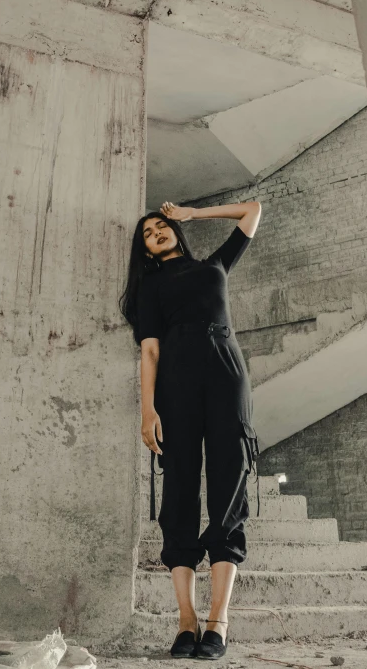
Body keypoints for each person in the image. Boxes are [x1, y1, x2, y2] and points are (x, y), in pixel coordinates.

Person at [120, 199, 262, 659]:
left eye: (161, 225)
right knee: (179, 492)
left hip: (226, 375)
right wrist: (147, 410)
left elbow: (253, 211)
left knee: (228, 488)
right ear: (144, 251)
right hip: (176, 384)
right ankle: (185, 621)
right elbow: (150, 352)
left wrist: (193, 214)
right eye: (147, 233)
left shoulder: (215, 264)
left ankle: (218, 621)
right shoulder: (151, 287)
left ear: (175, 230)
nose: (156, 232)